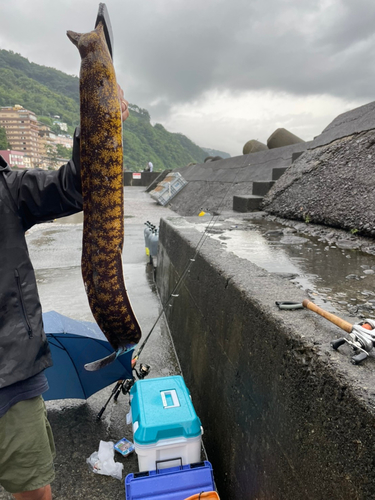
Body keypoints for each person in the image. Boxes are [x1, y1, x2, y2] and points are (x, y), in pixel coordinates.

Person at [0, 88, 129, 500]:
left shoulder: (8, 190)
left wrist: (98, 121)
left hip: (10, 378)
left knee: (33, 491)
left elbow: (74, 185)